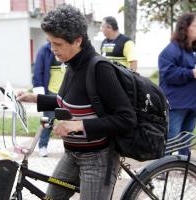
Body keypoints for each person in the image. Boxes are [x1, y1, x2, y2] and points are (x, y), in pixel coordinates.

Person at [17, 4, 137, 200]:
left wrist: (78, 125)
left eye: (58, 43)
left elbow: (126, 119)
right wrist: (36, 98)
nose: (52, 49)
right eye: (49, 42)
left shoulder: (99, 69)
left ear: (77, 40)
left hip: (98, 158)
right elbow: (70, 101)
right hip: (72, 153)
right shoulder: (72, 63)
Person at [158, 13, 196, 156]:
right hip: (177, 104)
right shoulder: (171, 50)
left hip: (194, 102)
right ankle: (162, 170)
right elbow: (168, 74)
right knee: (171, 138)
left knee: (186, 138)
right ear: (185, 28)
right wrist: (190, 73)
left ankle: (185, 166)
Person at [32, 42, 66, 157]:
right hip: (51, 92)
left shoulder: (67, 47)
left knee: (69, 123)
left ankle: (69, 149)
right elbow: (37, 71)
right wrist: (39, 93)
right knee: (47, 121)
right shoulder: (44, 50)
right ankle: (42, 146)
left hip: (67, 92)